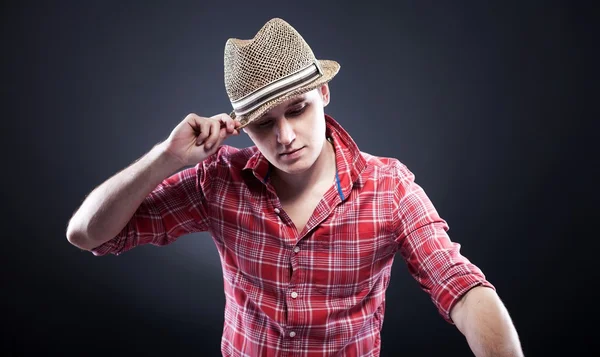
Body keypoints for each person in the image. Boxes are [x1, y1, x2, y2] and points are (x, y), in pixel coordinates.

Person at [66, 18, 523, 357]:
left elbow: (461, 288)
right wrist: (165, 158)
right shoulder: (218, 181)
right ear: (242, 127)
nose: (284, 136)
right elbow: (89, 234)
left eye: (298, 109)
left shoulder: (388, 188)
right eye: (264, 123)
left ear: (323, 94)